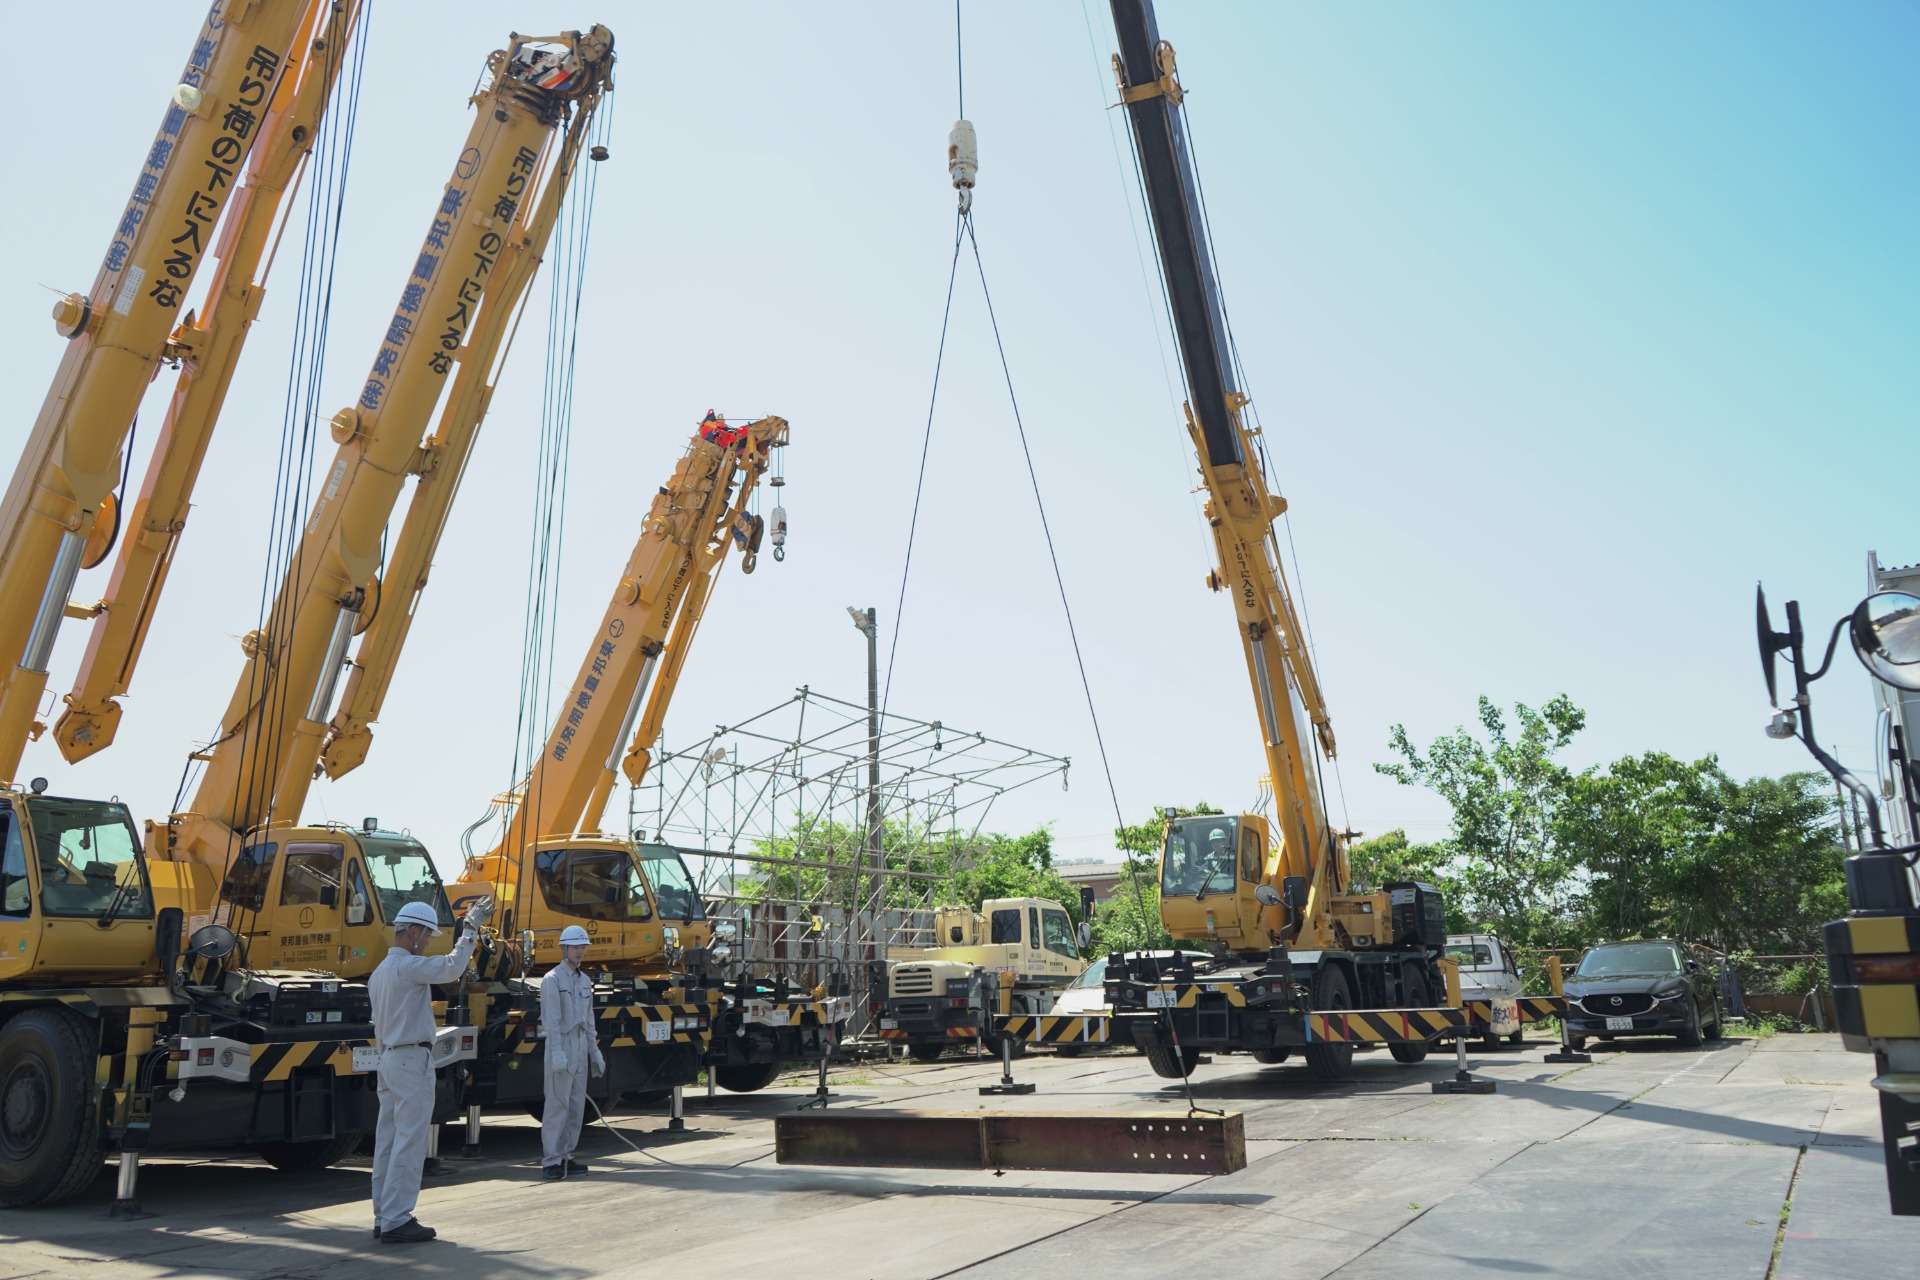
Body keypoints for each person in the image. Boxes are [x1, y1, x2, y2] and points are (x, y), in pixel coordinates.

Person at [368, 899, 478, 1245]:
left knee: (387, 1140)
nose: (427, 941)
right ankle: (397, 1219)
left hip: (388, 1059)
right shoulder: (407, 967)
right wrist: (470, 930)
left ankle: (383, 1215)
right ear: (413, 932)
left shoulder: (379, 972)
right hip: (410, 1060)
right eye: (426, 935)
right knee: (410, 1141)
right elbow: (451, 968)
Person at [540, 924, 604, 1180]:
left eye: (582, 947)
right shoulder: (552, 980)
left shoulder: (585, 981)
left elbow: (589, 1021)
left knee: (577, 1105)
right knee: (558, 1104)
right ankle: (551, 1161)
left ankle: (567, 1155)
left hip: (579, 1045)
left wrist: (594, 1052)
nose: (579, 952)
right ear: (565, 948)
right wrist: (556, 1052)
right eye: (575, 947)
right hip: (562, 1043)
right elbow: (551, 1020)